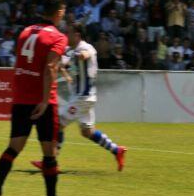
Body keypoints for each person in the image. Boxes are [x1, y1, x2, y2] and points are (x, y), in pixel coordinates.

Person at [0, 0, 75, 196]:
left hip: (21, 99)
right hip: (42, 101)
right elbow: (49, 68)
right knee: (49, 152)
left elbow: (22, 63)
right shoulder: (58, 37)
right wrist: (45, 101)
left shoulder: (26, 31)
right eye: (63, 10)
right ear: (59, 12)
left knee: (13, 148)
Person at [31, 22, 127, 171]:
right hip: (82, 98)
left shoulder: (86, 48)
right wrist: (63, 70)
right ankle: (117, 150)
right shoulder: (70, 50)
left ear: (77, 35)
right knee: (87, 131)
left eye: (68, 33)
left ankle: (51, 162)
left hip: (83, 98)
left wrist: (74, 56)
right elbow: (62, 64)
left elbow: (85, 55)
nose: (65, 35)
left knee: (58, 124)